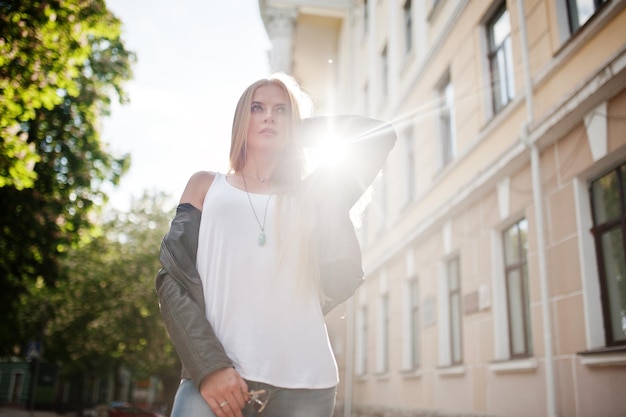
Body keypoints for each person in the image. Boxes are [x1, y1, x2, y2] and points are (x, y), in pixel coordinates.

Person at [156, 73, 396, 417]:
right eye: (257, 108)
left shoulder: (314, 196)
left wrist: (296, 128)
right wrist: (208, 367)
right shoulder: (206, 185)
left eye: (281, 110)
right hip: (215, 380)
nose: (269, 116)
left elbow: (379, 136)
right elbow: (171, 281)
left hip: (306, 388)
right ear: (241, 119)